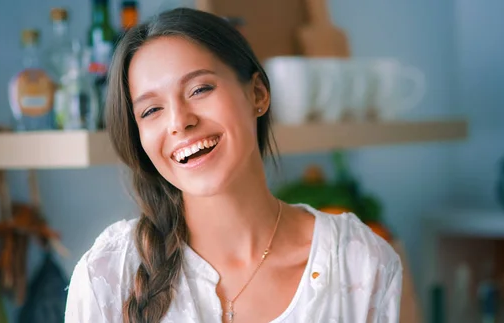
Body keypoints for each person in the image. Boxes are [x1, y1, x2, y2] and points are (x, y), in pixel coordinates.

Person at [64, 7, 402, 323]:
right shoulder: (108, 274)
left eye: (199, 89)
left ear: (257, 94)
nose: (179, 122)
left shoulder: (360, 265)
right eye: (151, 111)